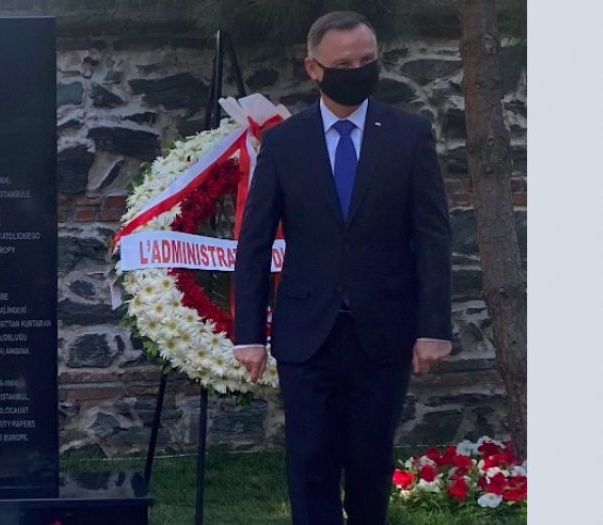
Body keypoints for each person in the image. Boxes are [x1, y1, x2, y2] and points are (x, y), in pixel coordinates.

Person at [232, 11, 453, 525]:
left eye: (367, 60)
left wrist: (434, 327)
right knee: (310, 465)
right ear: (314, 68)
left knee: (371, 463)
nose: (357, 69)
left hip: (385, 329)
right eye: (344, 63)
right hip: (308, 333)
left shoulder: (409, 135)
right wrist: (249, 335)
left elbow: (433, 235)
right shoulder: (285, 144)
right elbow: (255, 240)